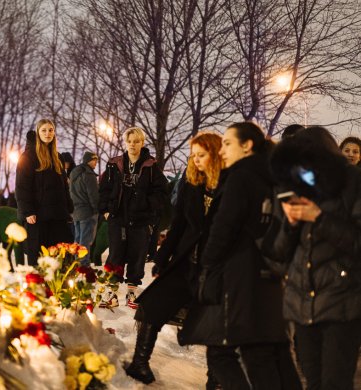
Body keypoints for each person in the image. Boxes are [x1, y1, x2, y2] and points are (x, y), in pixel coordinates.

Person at [178, 122, 301, 390]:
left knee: (236, 354)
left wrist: (206, 266)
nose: (222, 150)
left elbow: (224, 227)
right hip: (270, 272)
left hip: (241, 274)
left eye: (228, 143)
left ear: (247, 146)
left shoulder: (241, 176)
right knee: (275, 353)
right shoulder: (274, 175)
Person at [126, 132, 224, 385]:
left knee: (215, 322)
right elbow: (179, 224)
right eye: (193, 156)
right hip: (185, 262)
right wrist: (161, 258)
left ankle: (216, 380)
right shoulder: (192, 183)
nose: (197, 160)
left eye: (201, 155)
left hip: (216, 268)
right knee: (151, 304)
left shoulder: (230, 184)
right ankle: (140, 364)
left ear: (215, 154)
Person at [267, 126, 361, 390]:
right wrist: (291, 223)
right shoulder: (293, 188)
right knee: (312, 380)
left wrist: (318, 218)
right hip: (301, 304)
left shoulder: (352, 183)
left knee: (335, 382)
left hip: (341, 301)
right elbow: (280, 253)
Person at [98, 127, 168, 309]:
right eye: (129, 141)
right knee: (115, 255)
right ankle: (111, 294)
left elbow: (162, 192)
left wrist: (148, 206)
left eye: (136, 141)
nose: (132, 144)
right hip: (118, 217)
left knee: (137, 256)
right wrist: (105, 210)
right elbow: (104, 188)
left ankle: (132, 293)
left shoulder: (151, 166)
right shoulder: (115, 164)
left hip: (140, 220)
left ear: (142, 143)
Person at [15, 120, 73, 265]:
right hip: (38, 217)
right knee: (40, 258)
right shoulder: (28, 157)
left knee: (61, 256)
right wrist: (27, 211)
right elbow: (22, 187)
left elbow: (64, 186)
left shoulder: (58, 157)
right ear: (38, 132)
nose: (48, 133)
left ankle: (59, 286)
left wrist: (69, 208)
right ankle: (39, 287)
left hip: (58, 215)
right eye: (44, 130)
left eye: (51, 130)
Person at [69, 151, 100, 266]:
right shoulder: (89, 175)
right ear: (88, 160)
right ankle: (84, 265)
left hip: (76, 212)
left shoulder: (74, 174)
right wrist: (96, 209)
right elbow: (93, 195)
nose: (96, 163)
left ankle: (76, 263)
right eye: (94, 160)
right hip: (87, 212)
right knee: (85, 241)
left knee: (77, 240)